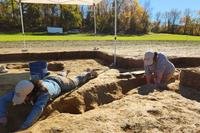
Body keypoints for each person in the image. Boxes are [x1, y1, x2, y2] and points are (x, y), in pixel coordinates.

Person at [0, 69, 97, 130]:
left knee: (76, 81)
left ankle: (88, 73)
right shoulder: (22, 88)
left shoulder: (44, 93)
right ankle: (63, 72)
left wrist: (23, 127)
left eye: (22, 98)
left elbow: (37, 110)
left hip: (61, 84)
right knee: (58, 76)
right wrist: (2, 115)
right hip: (49, 78)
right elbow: (2, 99)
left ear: (30, 94)